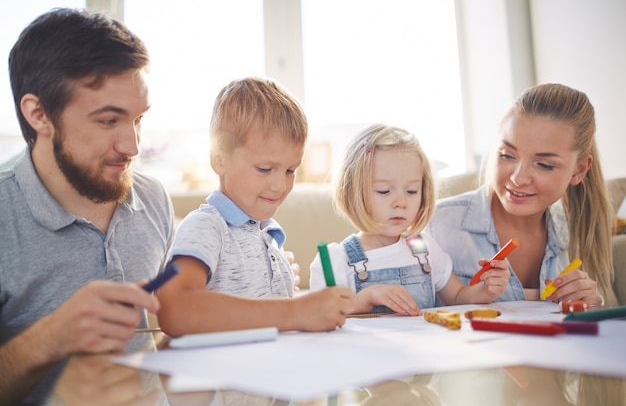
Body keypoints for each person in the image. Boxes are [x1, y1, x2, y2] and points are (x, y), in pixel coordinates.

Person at [0, 8, 174, 405]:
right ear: (39, 114)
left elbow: (169, 336)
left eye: (138, 119)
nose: (132, 147)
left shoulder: (152, 198)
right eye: (109, 121)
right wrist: (50, 339)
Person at [155, 76, 352, 336]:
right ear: (219, 160)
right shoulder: (206, 226)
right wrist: (296, 311)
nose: (280, 185)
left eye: (291, 170)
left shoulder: (268, 234)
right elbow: (175, 309)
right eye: (265, 169)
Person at [426, 83, 618, 307]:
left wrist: (589, 306)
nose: (518, 178)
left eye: (544, 165)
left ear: (579, 170)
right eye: (507, 155)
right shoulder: (434, 225)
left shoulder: (578, 232)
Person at [308, 124, 510, 315]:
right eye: (384, 191)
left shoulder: (424, 248)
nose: (401, 202)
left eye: (412, 191)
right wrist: (367, 298)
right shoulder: (337, 260)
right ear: (353, 193)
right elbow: (325, 316)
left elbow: (457, 297)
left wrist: (486, 291)